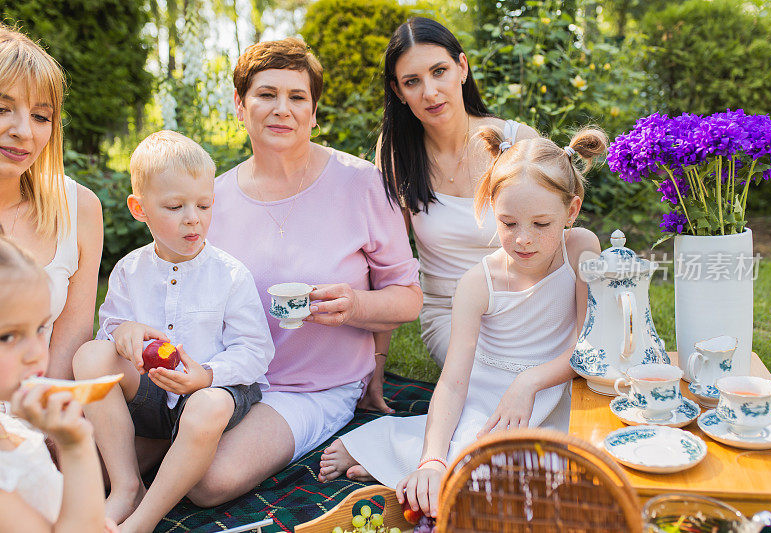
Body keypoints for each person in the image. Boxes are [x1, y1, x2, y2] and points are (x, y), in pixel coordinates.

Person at [318, 126, 608, 518]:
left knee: (565, 471)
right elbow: (454, 382)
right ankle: (400, 453)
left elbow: (588, 347)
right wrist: (432, 462)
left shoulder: (581, 249)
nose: (523, 239)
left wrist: (530, 381)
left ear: (570, 212)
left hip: (555, 386)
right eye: (508, 223)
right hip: (488, 397)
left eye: (541, 225)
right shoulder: (478, 283)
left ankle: (394, 459)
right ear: (492, 208)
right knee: (466, 462)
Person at [195, 37, 421, 506]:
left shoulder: (361, 183)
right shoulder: (213, 198)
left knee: (208, 481)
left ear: (314, 112)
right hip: (224, 375)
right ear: (240, 105)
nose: (282, 109)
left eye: (297, 97)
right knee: (123, 446)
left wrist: (355, 305)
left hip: (310, 388)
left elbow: (407, 296)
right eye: (266, 94)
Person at [71, 131, 274, 532]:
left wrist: (207, 376)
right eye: (175, 206)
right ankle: (127, 486)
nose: (193, 218)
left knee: (209, 405)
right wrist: (123, 331)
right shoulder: (130, 269)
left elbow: (255, 350)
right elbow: (109, 328)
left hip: (208, 395)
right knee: (89, 355)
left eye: (203, 205)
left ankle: (143, 521)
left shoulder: (230, 274)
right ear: (139, 208)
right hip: (150, 396)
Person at [363, 17, 542, 413]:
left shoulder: (517, 142)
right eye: (412, 81)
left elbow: (556, 245)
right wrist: (375, 367)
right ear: (398, 90)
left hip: (530, 306)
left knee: (556, 390)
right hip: (452, 317)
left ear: (462, 67)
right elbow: (386, 265)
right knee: (499, 396)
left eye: (439, 71)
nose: (430, 92)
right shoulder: (396, 154)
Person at [0, 25, 103, 379]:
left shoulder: (79, 208)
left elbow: (72, 337)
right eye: (2, 108)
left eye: (41, 116)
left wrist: (46, 421)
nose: (23, 131)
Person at [0, 235, 108, 532]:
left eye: (39, 328)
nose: (37, 352)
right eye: (8, 336)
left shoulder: (11, 425)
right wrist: (75, 446)